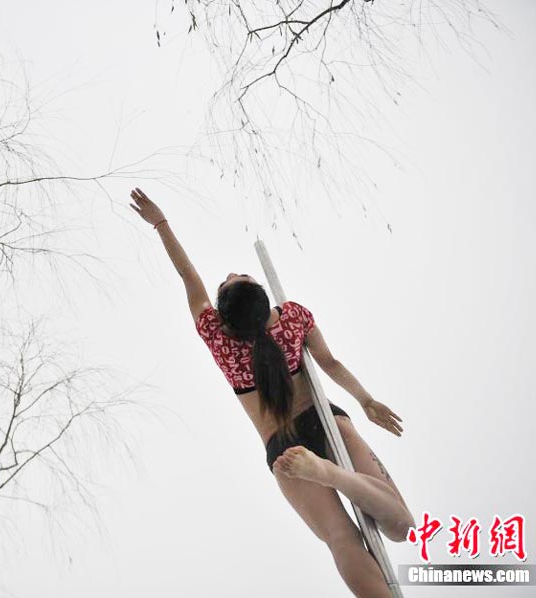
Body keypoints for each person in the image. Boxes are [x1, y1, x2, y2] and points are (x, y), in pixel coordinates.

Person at [129, 187, 415, 598]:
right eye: (233, 276)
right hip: (325, 420)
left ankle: (328, 474)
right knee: (402, 525)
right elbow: (330, 364)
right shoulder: (294, 318)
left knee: (340, 538)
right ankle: (336, 474)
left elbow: (187, 276)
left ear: (224, 319)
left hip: (282, 447)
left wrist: (161, 225)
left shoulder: (217, 337)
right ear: (266, 304)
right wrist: (365, 400)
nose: (228, 272)